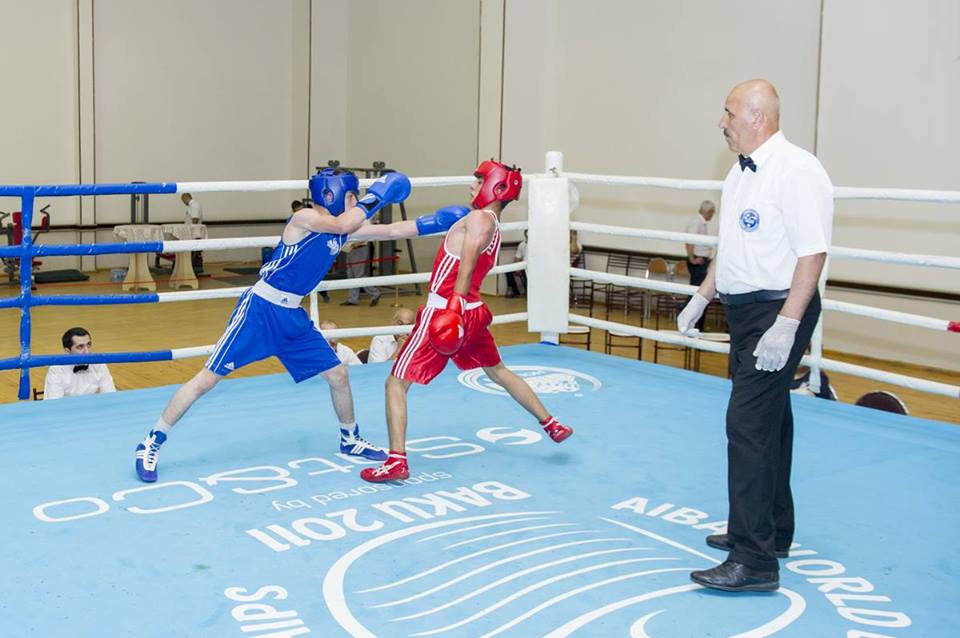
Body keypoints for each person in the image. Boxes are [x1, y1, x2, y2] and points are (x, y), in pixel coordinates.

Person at [134, 168, 412, 482]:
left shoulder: (341, 231)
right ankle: (151, 441)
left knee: (338, 374)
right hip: (261, 311)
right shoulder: (306, 217)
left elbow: (391, 231)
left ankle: (349, 438)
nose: (355, 202)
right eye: (351, 196)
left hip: (292, 316)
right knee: (206, 380)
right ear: (332, 195)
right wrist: (378, 195)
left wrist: (442, 223)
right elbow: (343, 223)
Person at [677, 79, 833, 592]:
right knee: (771, 422)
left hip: (778, 308)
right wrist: (702, 296)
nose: (721, 122)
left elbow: (812, 253)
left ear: (757, 117)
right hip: (744, 312)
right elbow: (732, 247)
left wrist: (787, 324)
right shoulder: (738, 172)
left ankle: (754, 560)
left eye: (728, 113)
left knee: (746, 427)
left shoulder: (797, 170)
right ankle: (773, 530)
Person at [360, 160, 574, 483]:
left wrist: (453, 305)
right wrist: (354, 230)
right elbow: (402, 230)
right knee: (498, 371)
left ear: (495, 187)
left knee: (396, 383)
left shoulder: (478, 219)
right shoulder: (489, 224)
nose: (471, 186)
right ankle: (551, 423)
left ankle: (396, 461)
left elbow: (469, 259)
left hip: (447, 311)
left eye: (478, 180)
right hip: (473, 311)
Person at [43, 327, 116, 400]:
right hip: (67, 407)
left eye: (88, 345)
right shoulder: (56, 369)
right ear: (67, 351)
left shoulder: (98, 364)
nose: (87, 351)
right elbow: (54, 403)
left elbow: (111, 396)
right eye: (80, 347)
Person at [291, 199, 329, 303]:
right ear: (293, 211)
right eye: (297, 210)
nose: (300, 212)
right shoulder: (291, 221)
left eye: (301, 209)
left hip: (311, 251)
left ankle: (324, 294)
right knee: (298, 274)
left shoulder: (310, 218)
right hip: (298, 252)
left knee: (317, 273)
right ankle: (295, 295)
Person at [340, 238, 381, 306]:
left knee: (359, 275)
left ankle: (375, 293)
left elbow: (365, 237)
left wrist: (354, 245)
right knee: (351, 274)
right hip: (350, 249)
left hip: (359, 248)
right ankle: (353, 299)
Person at [685, 200, 715, 286]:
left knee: (698, 288)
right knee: (696, 288)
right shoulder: (696, 222)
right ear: (709, 212)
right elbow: (689, 241)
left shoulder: (701, 223)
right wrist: (692, 259)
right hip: (698, 261)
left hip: (701, 260)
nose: (713, 215)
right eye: (713, 212)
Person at [181, 193, 204, 273]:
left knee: (194, 252)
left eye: (183, 201)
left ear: (185, 198)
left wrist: (190, 232)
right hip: (192, 232)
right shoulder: (191, 206)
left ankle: (193, 269)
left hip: (194, 233)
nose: (183, 203)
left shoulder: (194, 205)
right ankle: (190, 268)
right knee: (192, 252)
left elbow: (195, 219)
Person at [504, 230, 527, 298]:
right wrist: (517, 268)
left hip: (534, 267)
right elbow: (517, 258)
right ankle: (513, 289)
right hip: (524, 265)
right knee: (508, 270)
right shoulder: (522, 244)